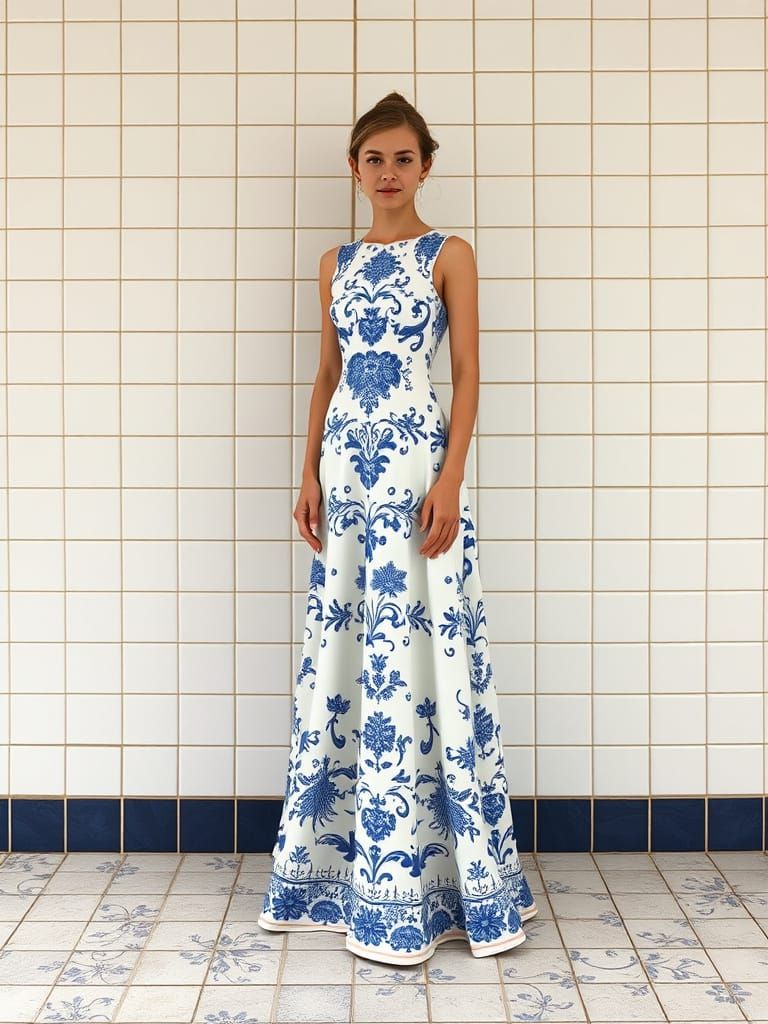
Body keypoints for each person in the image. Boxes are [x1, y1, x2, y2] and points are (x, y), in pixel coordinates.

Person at [257, 91, 537, 966]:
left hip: (416, 467)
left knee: (425, 647)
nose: (387, 173)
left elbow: (467, 370)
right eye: (372, 159)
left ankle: (444, 882)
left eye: (403, 159)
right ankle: (340, 875)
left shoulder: (448, 254)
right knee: (346, 649)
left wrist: (452, 477)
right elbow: (327, 370)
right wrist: (306, 472)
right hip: (346, 473)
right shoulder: (333, 262)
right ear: (353, 167)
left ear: (426, 166)